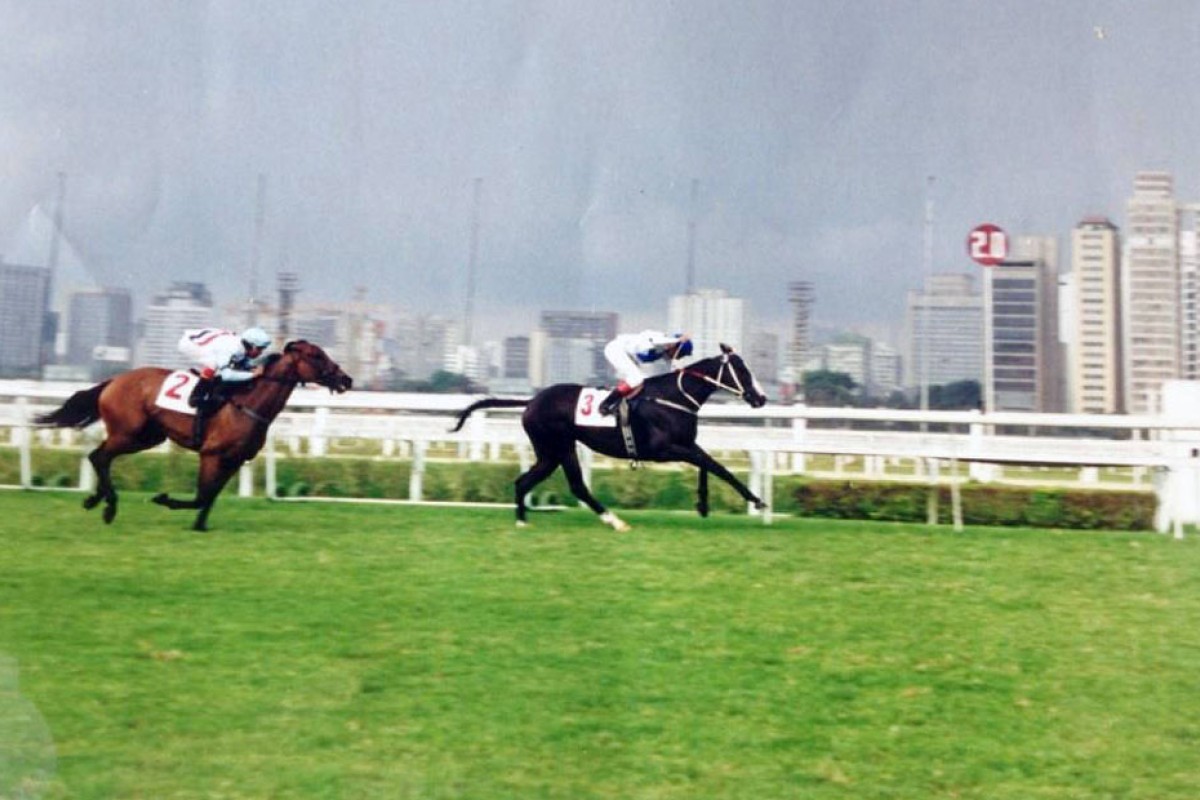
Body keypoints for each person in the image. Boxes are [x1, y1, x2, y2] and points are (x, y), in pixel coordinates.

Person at [176, 326, 273, 445]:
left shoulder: (241, 346)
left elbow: (243, 361)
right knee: (214, 366)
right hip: (189, 344)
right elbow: (226, 375)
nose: (260, 352)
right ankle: (196, 397)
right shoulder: (230, 348)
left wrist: (251, 368)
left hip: (210, 340)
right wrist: (252, 375)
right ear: (252, 346)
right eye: (260, 349)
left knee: (234, 365)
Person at [599, 330, 693, 415]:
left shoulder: (665, 357)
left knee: (644, 381)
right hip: (616, 349)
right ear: (675, 347)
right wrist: (676, 340)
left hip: (628, 356)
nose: (679, 358)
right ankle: (606, 403)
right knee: (636, 378)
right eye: (681, 354)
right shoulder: (659, 338)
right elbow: (655, 341)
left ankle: (619, 403)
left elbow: (664, 378)